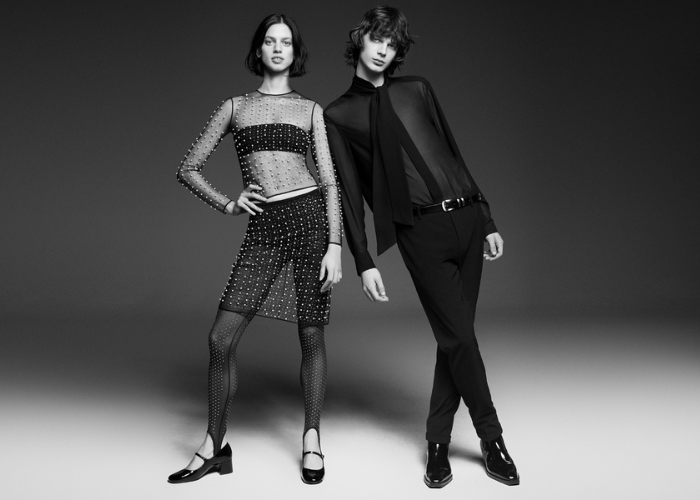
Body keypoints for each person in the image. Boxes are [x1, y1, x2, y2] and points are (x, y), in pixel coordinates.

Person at [324, 6, 518, 488]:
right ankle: (492, 438)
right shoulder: (337, 116)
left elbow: (453, 154)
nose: (383, 49)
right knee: (460, 338)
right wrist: (364, 260)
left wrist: (487, 216)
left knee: (454, 339)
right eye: (377, 38)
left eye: (392, 43)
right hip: (421, 232)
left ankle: (436, 443)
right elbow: (348, 195)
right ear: (360, 39)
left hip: (468, 218)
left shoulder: (417, 89)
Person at [168, 14, 342, 485]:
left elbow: (329, 181)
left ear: (295, 52)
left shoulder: (311, 110)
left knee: (311, 334)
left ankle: (311, 438)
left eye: (286, 42)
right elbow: (188, 168)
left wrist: (334, 244)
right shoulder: (235, 107)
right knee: (220, 338)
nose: (278, 48)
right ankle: (214, 446)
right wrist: (228, 203)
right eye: (270, 40)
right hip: (264, 227)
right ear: (259, 50)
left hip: (309, 220)